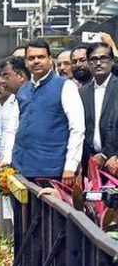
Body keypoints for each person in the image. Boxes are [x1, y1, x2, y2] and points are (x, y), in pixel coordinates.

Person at [12, 39, 85, 187]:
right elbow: (13, 128)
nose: (36, 61)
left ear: (50, 60)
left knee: (51, 209)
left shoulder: (65, 86)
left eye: (41, 57)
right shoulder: (23, 90)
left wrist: (70, 166)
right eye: (31, 58)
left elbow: (77, 128)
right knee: (24, 210)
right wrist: (8, 159)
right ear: (26, 62)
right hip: (21, 168)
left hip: (53, 170)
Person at [79, 42, 118, 175]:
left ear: (112, 61)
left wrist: (107, 154)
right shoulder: (82, 93)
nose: (98, 63)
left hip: (114, 162)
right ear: (89, 63)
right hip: (90, 164)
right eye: (94, 59)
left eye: (103, 58)